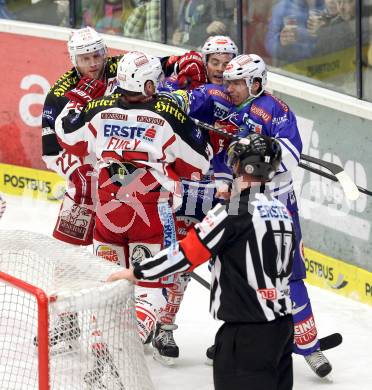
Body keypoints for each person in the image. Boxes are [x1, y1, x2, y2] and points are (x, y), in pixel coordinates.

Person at [108, 133, 295, 390]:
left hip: (247, 334)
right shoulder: (281, 210)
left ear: (240, 166)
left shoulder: (235, 209)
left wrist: (137, 272)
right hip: (282, 328)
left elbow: (186, 254)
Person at [54, 51, 212, 356]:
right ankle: (125, 349)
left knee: (107, 283)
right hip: (149, 212)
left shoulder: (97, 109)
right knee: (153, 285)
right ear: (150, 85)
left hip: (108, 213)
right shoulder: (168, 114)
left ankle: (102, 349)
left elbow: (66, 135)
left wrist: (75, 101)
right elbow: (199, 164)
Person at [214, 53, 333, 378]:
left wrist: (256, 159)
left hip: (276, 203)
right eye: (229, 83)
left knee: (289, 272)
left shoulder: (274, 109)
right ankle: (233, 334)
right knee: (228, 265)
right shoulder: (227, 112)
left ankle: (309, 346)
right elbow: (222, 160)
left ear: (255, 82)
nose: (232, 89)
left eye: (238, 83)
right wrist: (226, 184)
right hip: (239, 202)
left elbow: (291, 154)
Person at [151, 35, 238, 364]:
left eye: (225, 62)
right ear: (205, 62)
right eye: (213, 62)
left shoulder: (245, 96)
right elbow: (161, 98)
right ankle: (164, 326)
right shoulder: (199, 91)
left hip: (230, 189)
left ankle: (231, 336)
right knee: (183, 259)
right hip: (192, 186)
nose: (219, 68)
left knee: (230, 267)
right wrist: (171, 78)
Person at [42, 26, 122, 247]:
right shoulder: (59, 94)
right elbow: (49, 151)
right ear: (73, 59)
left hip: (121, 176)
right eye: (85, 58)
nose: (93, 63)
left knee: (113, 250)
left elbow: (160, 66)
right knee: (68, 250)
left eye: (97, 55)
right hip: (85, 176)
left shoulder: (121, 69)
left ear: (105, 52)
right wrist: (78, 171)